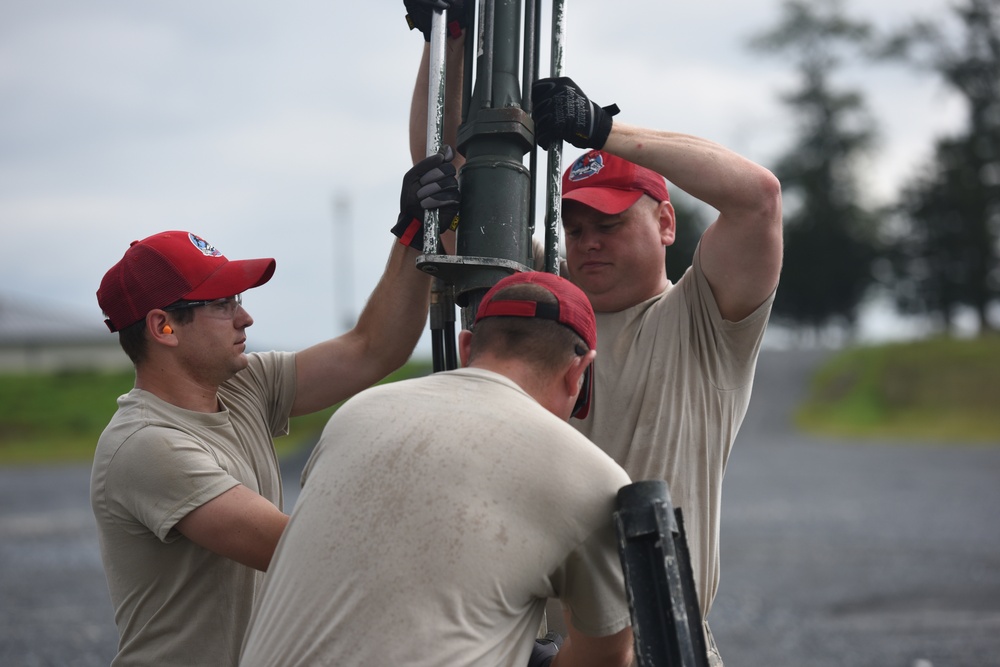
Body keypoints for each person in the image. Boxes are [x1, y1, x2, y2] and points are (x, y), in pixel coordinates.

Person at [90, 149, 459, 667]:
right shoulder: (147, 446)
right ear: (163, 327)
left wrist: (413, 236)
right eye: (222, 305)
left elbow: (373, 349)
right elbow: (300, 552)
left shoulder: (242, 386)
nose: (246, 318)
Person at [238, 271, 634, 667]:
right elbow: (606, 658)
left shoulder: (358, 413)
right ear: (580, 371)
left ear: (466, 348)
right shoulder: (594, 478)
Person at [529, 76, 784, 666]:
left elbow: (759, 197)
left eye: (610, 224)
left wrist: (601, 130)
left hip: (658, 644)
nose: (589, 242)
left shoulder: (705, 317)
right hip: (540, 649)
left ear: (666, 224)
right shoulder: (542, 312)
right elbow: (458, 197)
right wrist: (451, 44)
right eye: (576, 228)